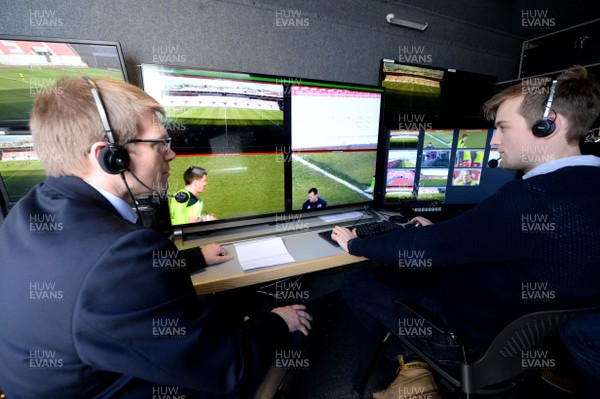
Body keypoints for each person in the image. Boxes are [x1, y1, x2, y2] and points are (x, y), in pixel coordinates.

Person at [0, 77, 311, 398]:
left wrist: (196, 257)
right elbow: (226, 367)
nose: (172, 154)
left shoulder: (28, 212)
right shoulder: (123, 255)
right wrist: (276, 321)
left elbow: (98, 277)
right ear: (109, 156)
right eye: (160, 143)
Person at [331, 66, 600, 384]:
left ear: (547, 125)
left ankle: (405, 364)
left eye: (503, 127)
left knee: (356, 281)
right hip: (520, 341)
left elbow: (426, 249)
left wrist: (355, 243)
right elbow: (488, 232)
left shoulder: (532, 197)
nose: (495, 140)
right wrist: (442, 230)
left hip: (464, 343)